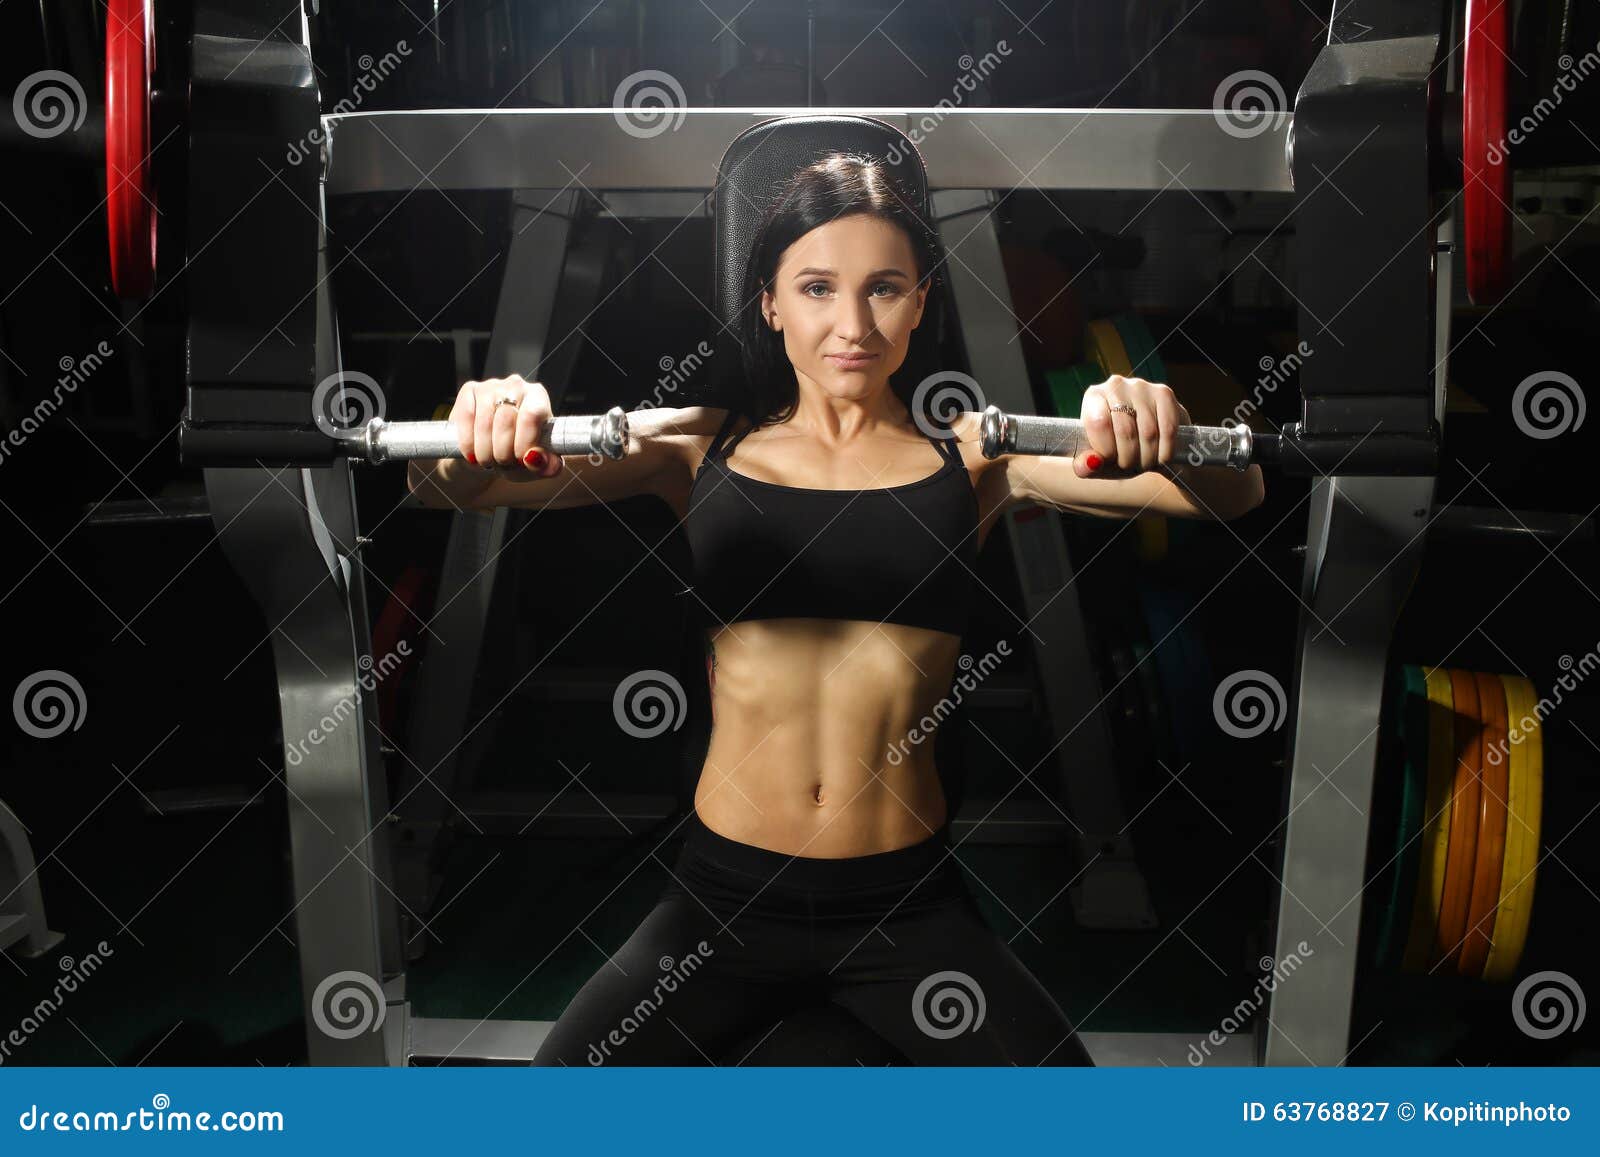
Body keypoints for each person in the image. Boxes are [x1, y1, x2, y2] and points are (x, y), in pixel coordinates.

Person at [407, 153, 1266, 1065]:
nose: (852, 324)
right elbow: (443, 486)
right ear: (771, 302)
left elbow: (1233, 496)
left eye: (884, 288)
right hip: (719, 903)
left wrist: (1158, 420)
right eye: (817, 287)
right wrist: (484, 422)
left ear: (923, 300)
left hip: (905, 907)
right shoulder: (697, 449)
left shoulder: (977, 458)